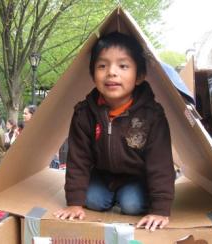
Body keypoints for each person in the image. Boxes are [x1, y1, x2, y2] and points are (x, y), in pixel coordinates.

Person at [53, 32, 175, 232]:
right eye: (102, 66)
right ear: (93, 74)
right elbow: (78, 159)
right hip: (102, 175)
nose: (111, 72)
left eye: (123, 66)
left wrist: (161, 209)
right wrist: (74, 203)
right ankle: (110, 197)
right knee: (92, 200)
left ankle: (124, 196)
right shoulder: (84, 113)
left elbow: (160, 163)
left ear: (140, 76)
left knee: (132, 204)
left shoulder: (152, 115)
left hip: (137, 177)